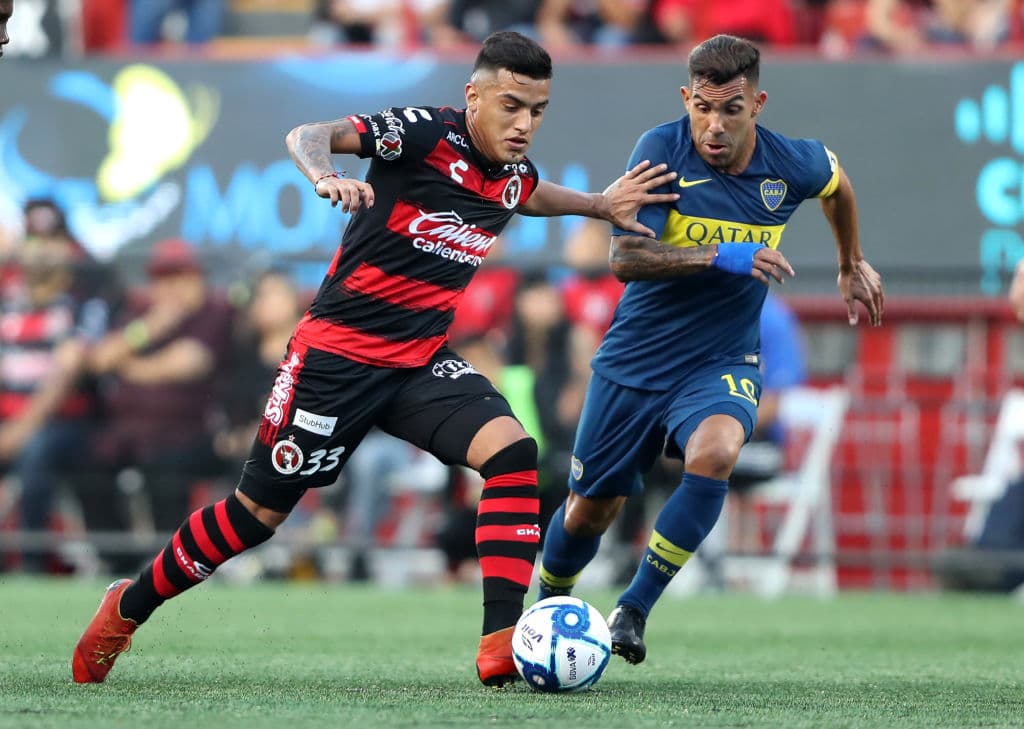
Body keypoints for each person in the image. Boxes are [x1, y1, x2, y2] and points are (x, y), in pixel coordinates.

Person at [70, 30, 679, 688]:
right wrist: (325, 175)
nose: (524, 123)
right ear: (473, 97)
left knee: (511, 454)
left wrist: (599, 204)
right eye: (511, 106)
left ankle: (501, 645)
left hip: (418, 363)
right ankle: (127, 608)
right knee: (255, 515)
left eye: (537, 111)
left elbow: (528, 194)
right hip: (335, 360)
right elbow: (309, 133)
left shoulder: (509, 174)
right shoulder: (424, 133)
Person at [536, 33, 885, 665]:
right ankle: (547, 605)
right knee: (589, 512)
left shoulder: (792, 163)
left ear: (758, 104)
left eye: (731, 109)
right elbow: (625, 257)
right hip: (635, 361)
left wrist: (850, 262)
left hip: (720, 360)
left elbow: (838, 186)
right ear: (685, 99)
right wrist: (722, 255)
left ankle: (633, 609)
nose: (714, 125)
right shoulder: (660, 151)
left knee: (718, 450)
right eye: (703, 108)